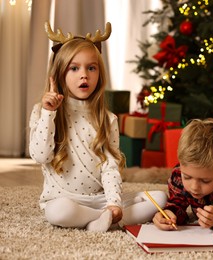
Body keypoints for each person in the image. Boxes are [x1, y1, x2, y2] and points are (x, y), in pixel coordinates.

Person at [29, 22, 166, 232]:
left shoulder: (107, 118)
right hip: (64, 200)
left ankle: (103, 218)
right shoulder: (43, 111)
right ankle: (100, 220)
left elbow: (110, 166)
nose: (84, 75)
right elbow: (40, 156)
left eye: (91, 68)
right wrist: (49, 113)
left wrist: (114, 203)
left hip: (100, 199)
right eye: (74, 68)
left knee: (159, 198)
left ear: (99, 74)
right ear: (58, 75)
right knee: (57, 212)